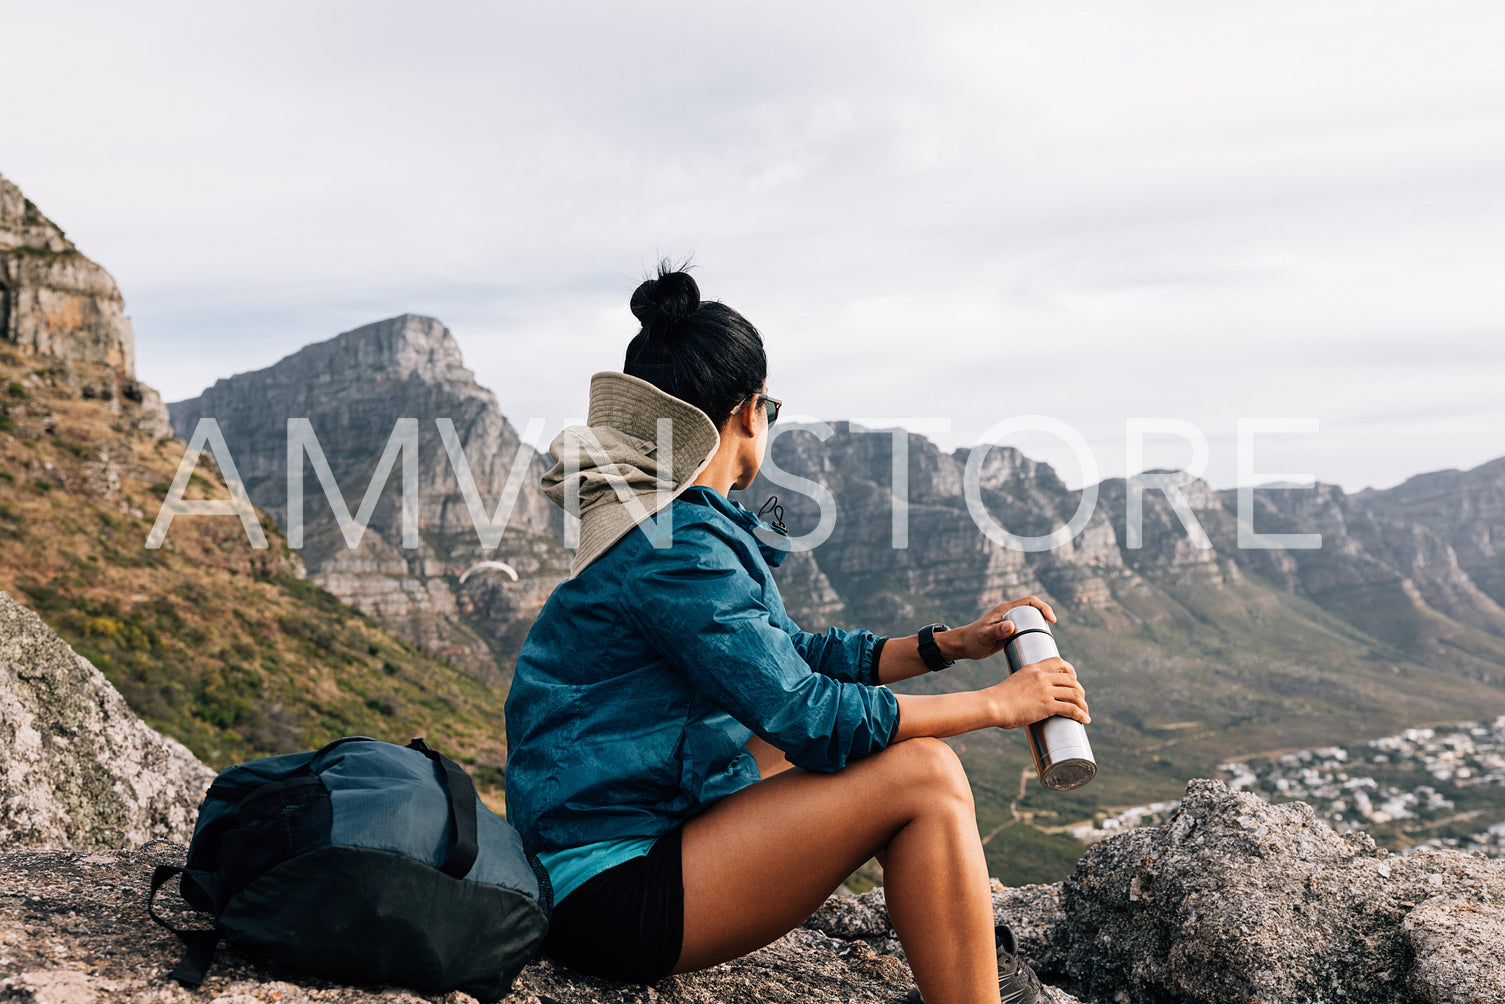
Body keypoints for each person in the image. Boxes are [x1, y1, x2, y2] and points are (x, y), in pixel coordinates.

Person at [503, 263, 1091, 1004]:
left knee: (843, 743)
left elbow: (789, 660)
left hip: (615, 845)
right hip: (608, 894)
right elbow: (812, 717)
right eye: (770, 407)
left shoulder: (666, 525)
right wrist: (999, 703)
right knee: (923, 774)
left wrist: (946, 646)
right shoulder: (675, 549)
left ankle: (961, 954)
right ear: (749, 412)